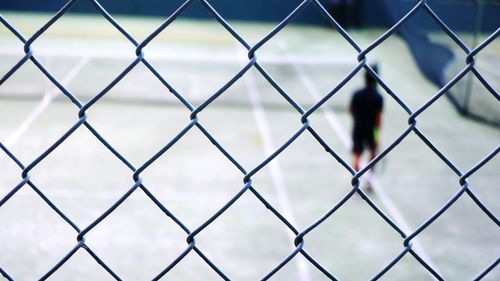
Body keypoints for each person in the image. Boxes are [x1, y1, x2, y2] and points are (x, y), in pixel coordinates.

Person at [349, 65, 383, 173]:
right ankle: (369, 179)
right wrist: (376, 136)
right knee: (372, 155)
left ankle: (356, 178)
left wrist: (358, 119)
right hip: (371, 129)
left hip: (358, 127)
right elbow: (378, 119)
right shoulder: (378, 97)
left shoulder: (357, 94)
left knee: (357, 156)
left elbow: (351, 110)